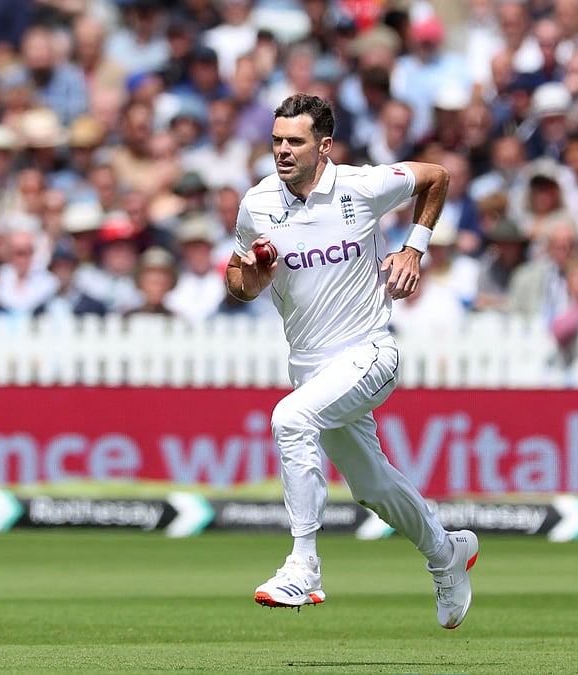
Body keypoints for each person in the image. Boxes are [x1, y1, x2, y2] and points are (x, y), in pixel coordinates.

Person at [225, 94, 477, 629]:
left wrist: (414, 248)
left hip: (370, 352)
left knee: (290, 418)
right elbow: (238, 278)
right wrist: (251, 279)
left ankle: (303, 566)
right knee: (371, 486)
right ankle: (445, 553)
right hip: (311, 367)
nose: (283, 151)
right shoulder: (259, 202)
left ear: (324, 146)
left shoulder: (360, 188)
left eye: (295, 141)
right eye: (276, 141)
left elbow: (437, 176)